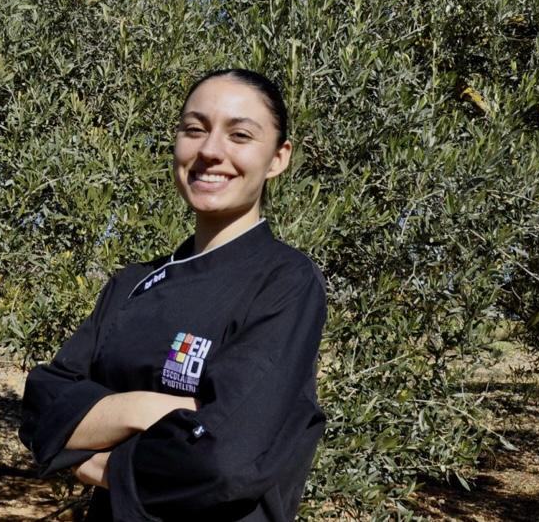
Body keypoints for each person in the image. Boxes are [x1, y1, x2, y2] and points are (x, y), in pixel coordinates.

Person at [19, 69, 327, 521]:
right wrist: (148, 407)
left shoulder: (286, 282)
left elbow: (227, 458)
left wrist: (103, 462)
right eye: (194, 129)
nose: (210, 151)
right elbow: (43, 407)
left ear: (278, 159)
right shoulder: (132, 283)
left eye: (239, 134)